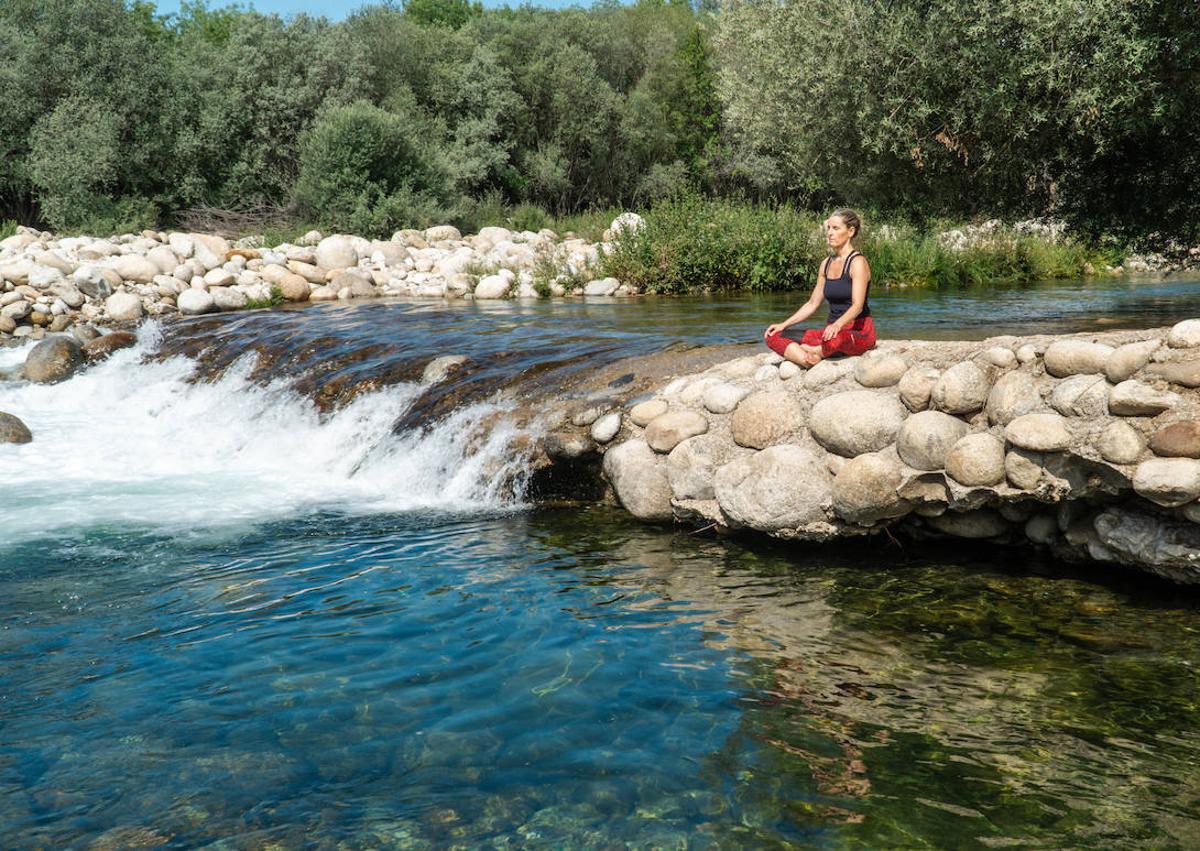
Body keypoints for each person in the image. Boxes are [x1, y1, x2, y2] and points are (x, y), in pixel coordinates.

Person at [764, 209, 876, 367]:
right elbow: (812, 303)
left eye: (836, 228)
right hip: (829, 333)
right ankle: (808, 359)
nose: (830, 233)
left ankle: (811, 351)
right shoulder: (826, 264)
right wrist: (784, 324)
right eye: (829, 228)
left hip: (856, 333)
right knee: (773, 335)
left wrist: (837, 325)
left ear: (850, 231)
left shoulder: (857, 263)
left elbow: (857, 306)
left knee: (835, 339)